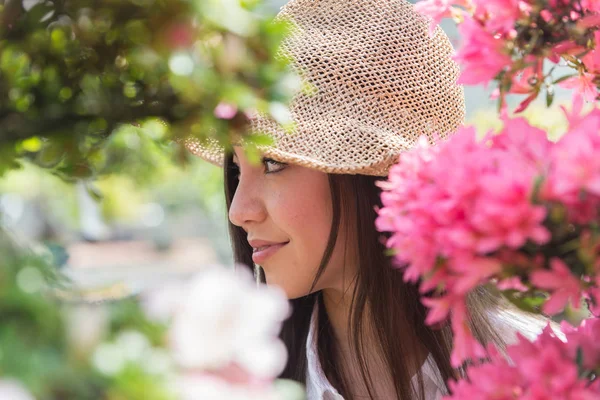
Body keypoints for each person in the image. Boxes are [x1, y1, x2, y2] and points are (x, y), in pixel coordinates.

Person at [185, 0, 547, 398]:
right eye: (236, 171)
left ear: (371, 177)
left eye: (272, 164)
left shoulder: (538, 368)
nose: (239, 212)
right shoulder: (227, 385)